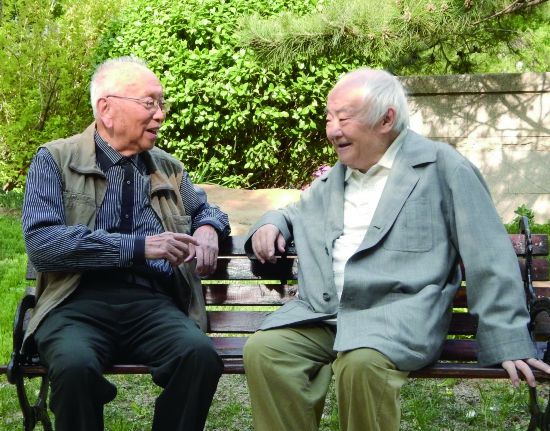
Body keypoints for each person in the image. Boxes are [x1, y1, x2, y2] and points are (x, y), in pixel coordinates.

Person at [243, 68, 550, 431]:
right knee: (266, 351)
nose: (332, 130)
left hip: (396, 318)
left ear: (386, 119)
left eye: (344, 118)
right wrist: (270, 223)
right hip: (325, 315)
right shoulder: (335, 180)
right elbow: (295, 212)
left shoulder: (442, 167)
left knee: (361, 364)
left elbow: (489, 255)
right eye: (328, 118)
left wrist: (507, 339)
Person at [22, 56, 230, 431]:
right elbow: (43, 243)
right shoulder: (55, 160)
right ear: (107, 109)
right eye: (149, 103)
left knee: (199, 357)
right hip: (74, 302)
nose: (160, 115)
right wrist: (138, 247)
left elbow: (206, 210)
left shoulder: (167, 168)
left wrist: (208, 228)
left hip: (151, 304)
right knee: (74, 367)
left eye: (162, 103)